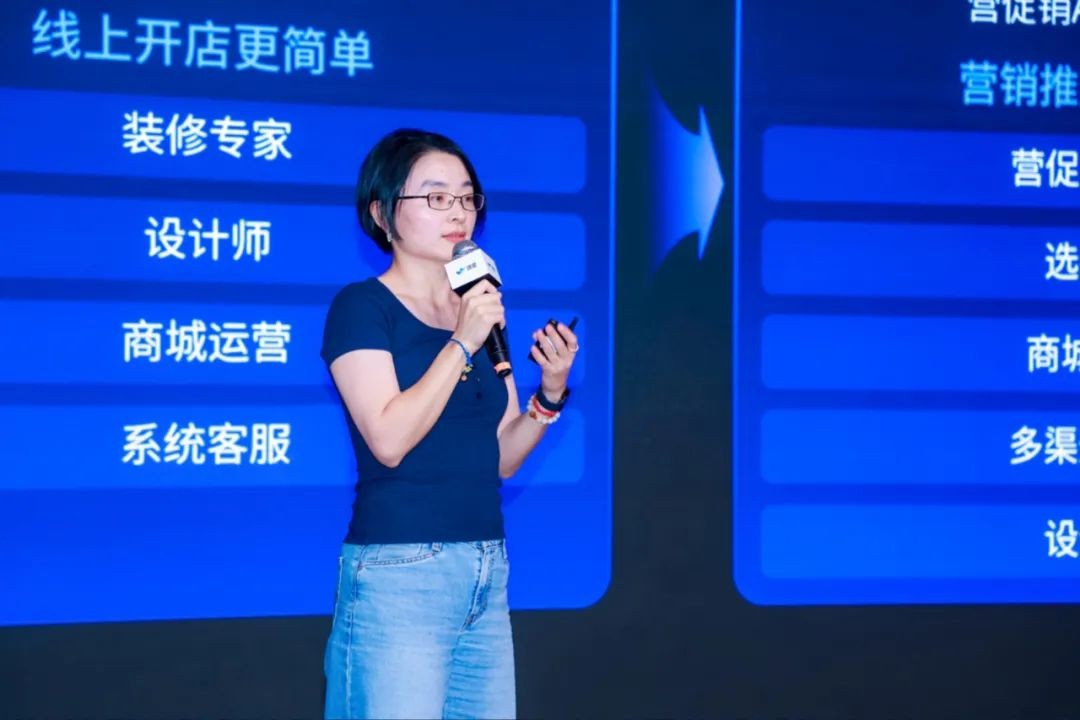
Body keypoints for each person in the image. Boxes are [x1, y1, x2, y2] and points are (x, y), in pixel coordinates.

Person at [320, 128, 579, 720]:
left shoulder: (479, 308)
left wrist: (550, 393)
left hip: (485, 569)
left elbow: (502, 457)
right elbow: (388, 439)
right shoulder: (362, 308)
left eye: (466, 197)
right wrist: (462, 340)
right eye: (436, 197)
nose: (458, 212)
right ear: (382, 213)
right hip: (400, 572)